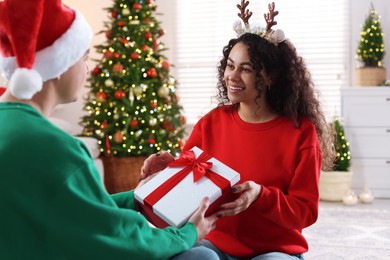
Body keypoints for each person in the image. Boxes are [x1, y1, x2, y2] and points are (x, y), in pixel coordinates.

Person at [0, 0, 218, 259]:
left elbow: (75, 211)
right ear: (59, 64)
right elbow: (119, 237)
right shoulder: (54, 147)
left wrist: (134, 198)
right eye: (84, 57)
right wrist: (189, 233)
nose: (88, 69)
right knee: (202, 256)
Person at [172, 1, 335, 260]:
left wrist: (262, 195)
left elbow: (305, 211)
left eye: (246, 69)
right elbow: (181, 185)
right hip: (215, 242)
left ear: (270, 77)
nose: (232, 76)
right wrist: (161, 169)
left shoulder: (301, 132)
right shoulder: (210, 124)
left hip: (275, 250)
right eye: (230, 65)